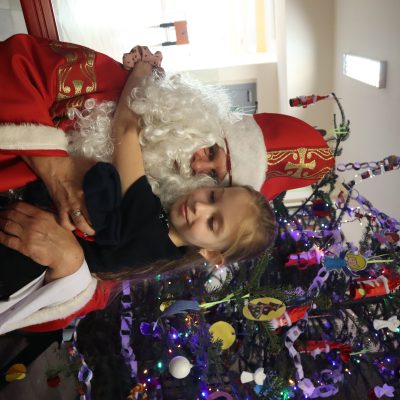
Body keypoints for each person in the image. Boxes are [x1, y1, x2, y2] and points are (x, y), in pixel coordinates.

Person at [0, 59, 277, 334]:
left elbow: (125, 129)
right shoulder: (165, 249)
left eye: (213, 222)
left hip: (21, 250)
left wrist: (143, 70)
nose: (200, 206)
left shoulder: (149, 227)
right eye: (214, 196)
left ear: (211, 254)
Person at [0, 34, 334, 234]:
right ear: (205, 120)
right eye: (212, 151)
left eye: (213, 178)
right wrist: (54, 167)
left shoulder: (152, 216)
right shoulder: (114, 85)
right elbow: (14, 62)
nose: (197, 167)